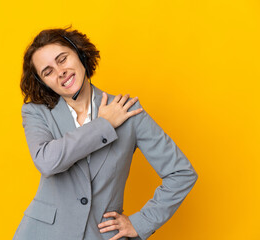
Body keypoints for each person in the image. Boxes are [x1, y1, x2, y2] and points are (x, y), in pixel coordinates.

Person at [13, 26, 198, 240]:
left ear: (79, 53)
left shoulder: (129, 112)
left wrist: (141, 222)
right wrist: (103, 124)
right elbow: (47, 161)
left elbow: (181, 173)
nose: (60, 71)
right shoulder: (36, 112)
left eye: (62, 59)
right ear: (43, 82)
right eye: (48, 71)